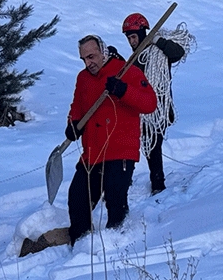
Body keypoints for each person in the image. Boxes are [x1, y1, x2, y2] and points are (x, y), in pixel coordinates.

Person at [65, 35, 156, 246]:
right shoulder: (83, 78)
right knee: (78, 199)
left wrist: (123, 90)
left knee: (115, 198)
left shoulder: (127, 71)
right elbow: (77, 106)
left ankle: (117, 243)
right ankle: (81, 245)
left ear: (103, 51)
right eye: (84, 59)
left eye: (92, 56)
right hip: (92, 153)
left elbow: (149, 103)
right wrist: (73, 124)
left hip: (120, 150)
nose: (89, 63)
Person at [122, 13, 186, 195]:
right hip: (139, 108)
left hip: (159, 109)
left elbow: (178, 53)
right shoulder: (135, 59)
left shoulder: (159, 52)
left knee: (153, 146)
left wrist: (158, 41)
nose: (131, 42)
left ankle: (158, 184)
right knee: (131, 144)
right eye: (129, 39)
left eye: (134, 37)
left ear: (143, 33)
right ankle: (125, 182)